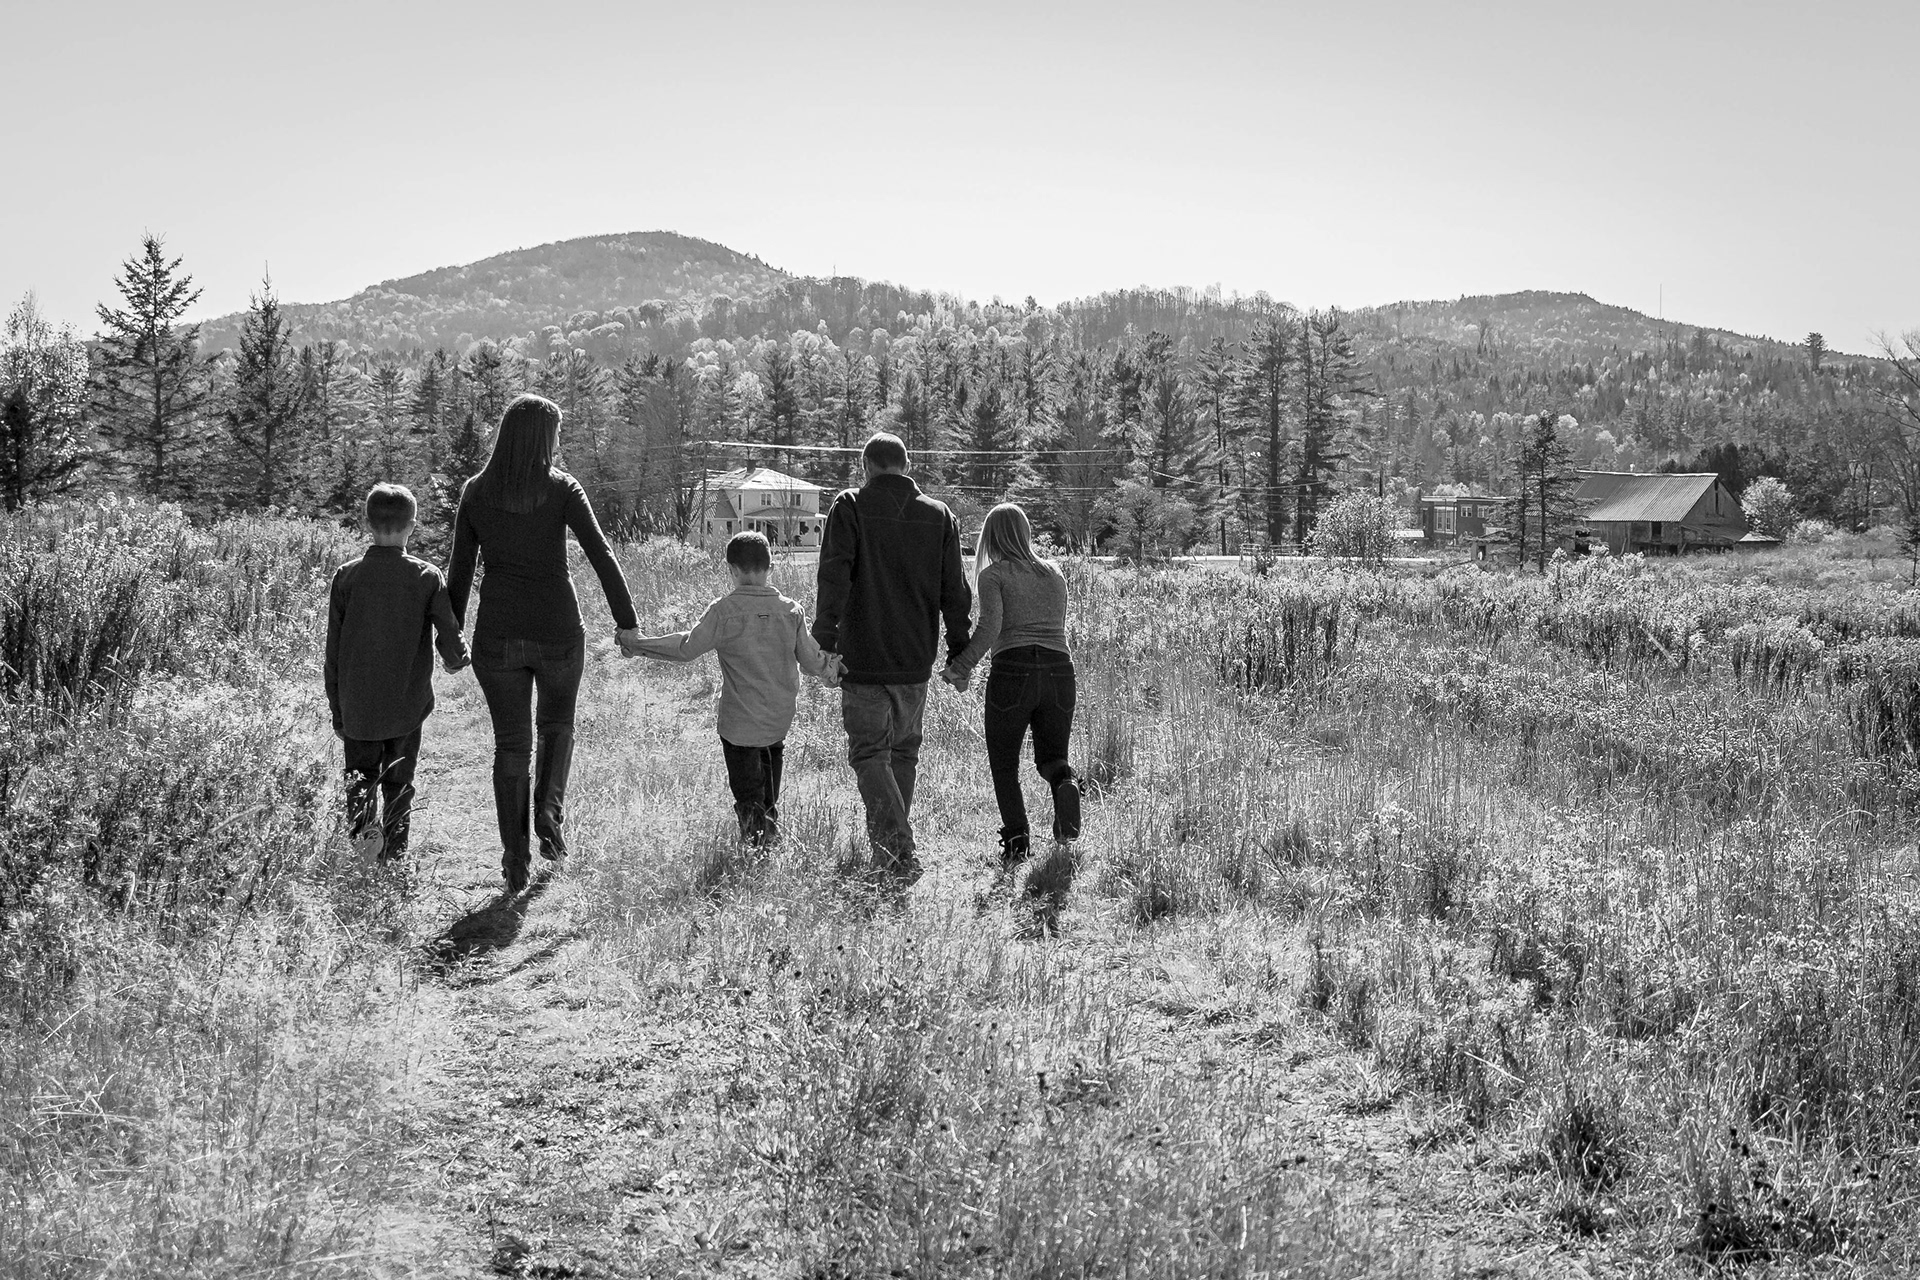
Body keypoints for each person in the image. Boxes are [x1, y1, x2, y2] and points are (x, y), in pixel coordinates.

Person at [448, 393, 641, 893]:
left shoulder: (475, 492)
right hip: (558, 630)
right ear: (543, 437)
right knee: (557, 725)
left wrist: (450, 639)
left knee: (510, 745)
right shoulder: (561, 488)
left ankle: (515, 858)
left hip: (498, 636)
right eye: (556, 434)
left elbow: (460, 570)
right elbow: (601, 555)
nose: (558, 442)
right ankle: (549, 815)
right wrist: (627, 623)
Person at [813, 432, 972, 868]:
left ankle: (897, 847)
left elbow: (834, 577)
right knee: (903, 752)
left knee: (869, 753)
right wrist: (959, 650)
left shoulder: (850, 506)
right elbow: (956, 592)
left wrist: (824, 641)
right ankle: (892, 844)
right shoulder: (940, 515)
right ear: (907, 465)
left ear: (866, 467)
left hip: (862, 656)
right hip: (915, 658)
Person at [619, 530, 839, 843]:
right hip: (778, 721)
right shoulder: (791, 611)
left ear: (732, 569)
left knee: (749, 796)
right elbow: (812, 661)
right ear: (770, 567)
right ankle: (769, 836)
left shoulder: (724, 611)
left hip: (739, 725)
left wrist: (638, 644)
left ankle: (756, 847)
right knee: (769, 792)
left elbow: (685, 648)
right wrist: (833, 669)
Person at [324, 483, 470, 863]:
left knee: (359, 783)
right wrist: (457, 658)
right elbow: (449, 633)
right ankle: (394, 860)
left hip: (357, 707)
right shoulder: (426, 576)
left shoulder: (346, 577)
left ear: (366, 523)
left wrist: (338, 710)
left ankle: (364, 856)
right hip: (406, 706)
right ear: (413, 526)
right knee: (399, 784)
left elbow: (333, 652)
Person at [940, 502, 1082, 865]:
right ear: (1025, 533)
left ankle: (1018, 842)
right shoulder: (1054, 573)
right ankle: (1065, 783)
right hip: (1060, 672)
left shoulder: (994, 575)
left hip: (1013, 672)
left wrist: (960, 667)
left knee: (1004, 765)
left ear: (991, 537)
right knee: (1052, 758)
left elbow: (991, 627)